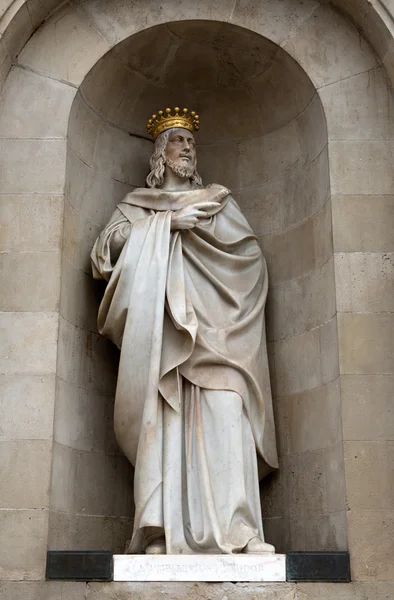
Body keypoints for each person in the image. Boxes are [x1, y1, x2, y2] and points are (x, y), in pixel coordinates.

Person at [91, 107, 278, 555]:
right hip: (164, 334)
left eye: (191, 141)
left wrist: (226, 303)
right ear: (160, 153)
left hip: (220, 335)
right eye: (178, 140)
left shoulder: (218, 201)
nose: (188, 147)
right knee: (164, 426)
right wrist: (164, 226)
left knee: (227, 416)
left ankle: (241, 530)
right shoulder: (138, 206)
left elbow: (250, 259)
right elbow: (103, 253)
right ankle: (159, 530)